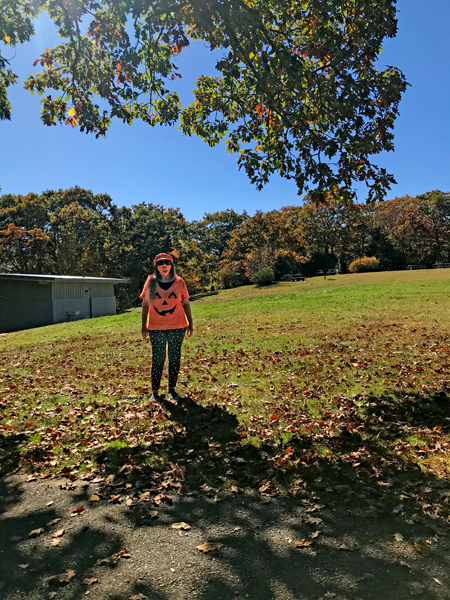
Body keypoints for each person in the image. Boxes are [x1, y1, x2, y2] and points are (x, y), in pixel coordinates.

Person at [140, 253, 193, 402]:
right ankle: (155, 392)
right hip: (156, 327)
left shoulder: (179, 282)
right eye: (160, 263)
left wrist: (190, 324)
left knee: (174, 358)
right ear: (156, 266)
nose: (164, 265)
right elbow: (145, 305)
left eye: (167, 262)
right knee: (158, 358)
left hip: (178, 326)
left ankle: (171, 389)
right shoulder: (150, 282)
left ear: (172, 265)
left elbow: (186, 304)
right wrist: (144, 326)